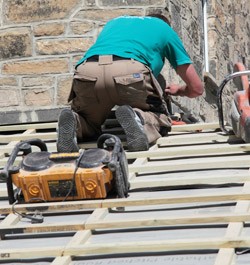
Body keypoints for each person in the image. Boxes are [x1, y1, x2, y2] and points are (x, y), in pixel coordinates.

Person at [57, 14, 204, 153]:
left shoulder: (115, 22)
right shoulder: (164, 28)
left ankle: (75, 123)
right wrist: (179, 90)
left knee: (88, 121)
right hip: (130, 71)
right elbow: (197, 88)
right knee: (161, 118)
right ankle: (139, 118)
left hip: (87, 71)